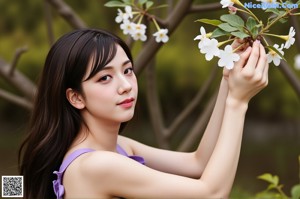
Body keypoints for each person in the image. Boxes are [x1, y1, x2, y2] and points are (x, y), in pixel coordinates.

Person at [18, 28, 268, 199]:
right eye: (104, 78)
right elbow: (211, 193)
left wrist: (228, 77)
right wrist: (238, 103)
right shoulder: (96, 165)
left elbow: (198, 163)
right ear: (76, 97)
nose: (125, 84)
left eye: (127, 70)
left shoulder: (116, 147)